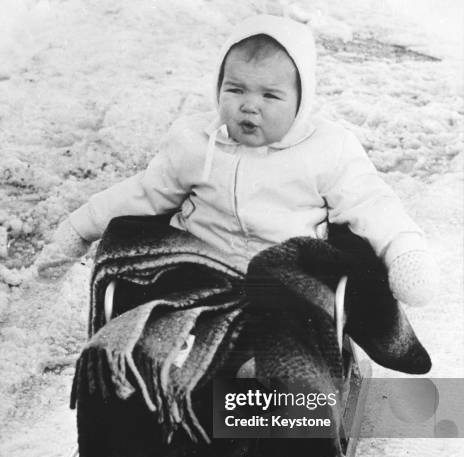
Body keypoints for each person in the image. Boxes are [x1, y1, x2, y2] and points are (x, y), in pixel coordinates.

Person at [35, 14, 437, 306]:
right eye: (236, 89)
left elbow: (372, 204)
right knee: (144, 306)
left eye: (270, 95)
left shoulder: (327, 149)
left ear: (302, 99)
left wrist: (404, 250)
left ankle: (276, 384)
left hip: (286, 276)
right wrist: (78, 228)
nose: (249, 106)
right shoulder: (195, 141)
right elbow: (144, 194)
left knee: (298, 317)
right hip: (197, 263)